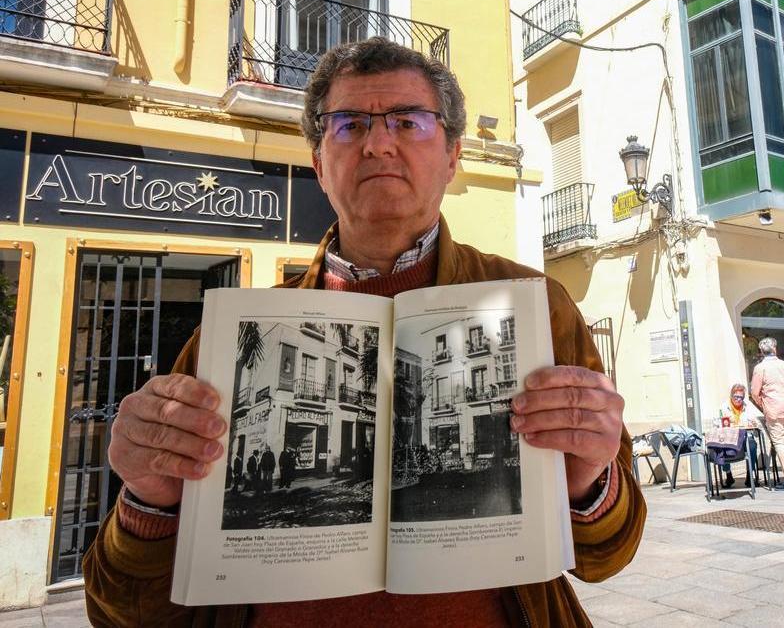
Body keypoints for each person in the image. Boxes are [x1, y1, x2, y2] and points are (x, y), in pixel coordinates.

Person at [84, 38, 645, 627]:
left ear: (453, 156)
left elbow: (608, 555)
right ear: (319, 164)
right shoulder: (230, 338)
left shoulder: (540, 306)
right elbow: (120, 610)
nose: (379, 143)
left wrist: (589, 480)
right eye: (349, 125)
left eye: (408, 121)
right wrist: (148, 501)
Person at [750, 337, 784, 491]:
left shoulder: (760, 368)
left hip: (774, 407)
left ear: (761, 352)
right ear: (775, 349)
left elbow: (754, 392)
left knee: (779, 442)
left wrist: (762, 404)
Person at [717, 384, 763, 489]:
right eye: (736, 397)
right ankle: (728, 474)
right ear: (731, 396)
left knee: (752, 445)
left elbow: (757, 422)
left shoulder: (748, 406)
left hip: (745, 436)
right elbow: (718, 423)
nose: (738, 400)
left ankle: (749, 475)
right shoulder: (724, 407)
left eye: (741, 397)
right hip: (729, 437)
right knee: (721, 445)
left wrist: (753, 423)